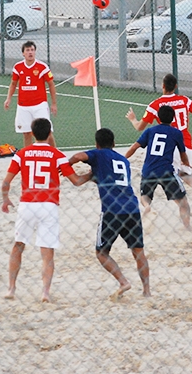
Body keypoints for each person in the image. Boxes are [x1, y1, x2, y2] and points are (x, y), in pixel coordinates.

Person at [1, 118, 89, 302]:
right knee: (47, 251)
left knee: (18, 246)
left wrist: (5, 198)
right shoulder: (57, 155)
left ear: (32, 133)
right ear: (50, 134)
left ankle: (11, 288)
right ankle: (45, 292)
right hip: (49, 206)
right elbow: (76, 181)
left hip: (27, 204)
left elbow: (6, 181)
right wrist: (92, 174)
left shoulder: (22, 154)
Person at [69, 128, 151, 300]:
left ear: (97, 145)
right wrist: (90, 175)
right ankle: (146, 291)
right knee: (138, 251)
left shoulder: (98, 155)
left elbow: (78, 157)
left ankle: (123, 282)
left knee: (101, 252)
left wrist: (66, 164)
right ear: (114, 143)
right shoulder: (123, 160)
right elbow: (87, 178)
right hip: (132, 208)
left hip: (112, 211)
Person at [126, 73, 192, 204]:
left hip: (169, 146)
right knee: (185, 174)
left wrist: (132, 119)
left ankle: (179, 203)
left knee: (171, 179)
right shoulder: (184, 100)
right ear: (175, 86)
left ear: (162, 86)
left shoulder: (155, 105)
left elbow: (139, 127)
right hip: (186, 144)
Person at [125, 105, 192, 230]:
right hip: (166, 171)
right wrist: (186, 163)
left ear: (158, 119)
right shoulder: (176, 133)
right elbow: (183, 153)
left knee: (145, 196)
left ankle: (147, 207)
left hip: (148, 170)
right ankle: (187, 227)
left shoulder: (150, 131)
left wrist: (124, 158)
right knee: (183, 202)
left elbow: (134, 147)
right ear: (173, 119)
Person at [4, 40, 57, 147]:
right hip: (23, 106)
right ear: (23, 53)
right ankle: (29, 155)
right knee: (26, 132)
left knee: (47, 132)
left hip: (39, 105)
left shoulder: (42, 67)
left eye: (32, 50)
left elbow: (51, 84)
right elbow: (13, 83)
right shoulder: (18, 67)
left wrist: (54, 103)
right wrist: (8, 98)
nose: (30, 52)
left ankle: (54, 153)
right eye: (27, 50)